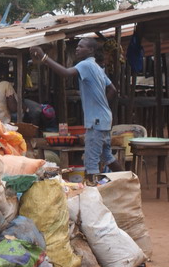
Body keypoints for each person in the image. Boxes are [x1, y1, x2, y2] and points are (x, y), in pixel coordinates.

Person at [30, 38, 121, 184]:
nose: (77, 49)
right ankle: (127, 181)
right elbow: (112, 90)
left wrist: (44, 57)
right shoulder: (97, 67)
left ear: (90, 50)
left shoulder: (85, 65)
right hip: (104, 118)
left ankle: (92, 195)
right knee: (107, 156)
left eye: (81, 46)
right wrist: (100, 103)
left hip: (96, 122)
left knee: (91, 163)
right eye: (77, 46)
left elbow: (65, 73)